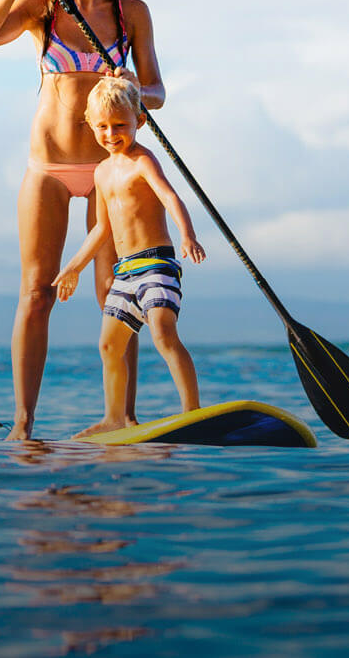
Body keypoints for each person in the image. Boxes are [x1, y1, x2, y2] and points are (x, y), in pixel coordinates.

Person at [0, 0, 164, 440]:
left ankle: (121, 417)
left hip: (111, 170)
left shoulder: (132, 13)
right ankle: (23, 425)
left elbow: (158, 93)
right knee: (37, 291)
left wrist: (133, 89)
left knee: (116, 292)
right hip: (50, 168)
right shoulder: (42, 7)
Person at [52, 75, 205, 437]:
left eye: (120, 125)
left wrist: (187, 234)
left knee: (164, 333)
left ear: (140, 120)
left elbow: (170, 197)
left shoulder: (143, 161)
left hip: (156, 263)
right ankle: (114, 417)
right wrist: (73, 266)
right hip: (125, 272)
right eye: (102, 126)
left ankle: (192, 411)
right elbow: (101, 229)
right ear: (90, 124)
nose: (110, 134)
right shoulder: (102, 171)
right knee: (109, 345)